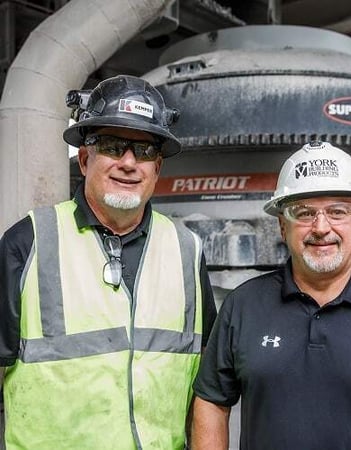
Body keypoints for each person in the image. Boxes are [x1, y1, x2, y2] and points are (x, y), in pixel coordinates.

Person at [0, 74, 216, 449]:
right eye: (114, 147)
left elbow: (208, 387)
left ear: (157, 170)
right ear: (85, 159)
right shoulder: (28, 243)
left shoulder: (187, 250)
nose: (130, 163)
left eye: (145, 151)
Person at [191, 141, 351, 449]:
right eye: (304, 213)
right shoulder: (243, 306)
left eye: (337, 212)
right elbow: (211, 402)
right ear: (282, 227)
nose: (321, 228)